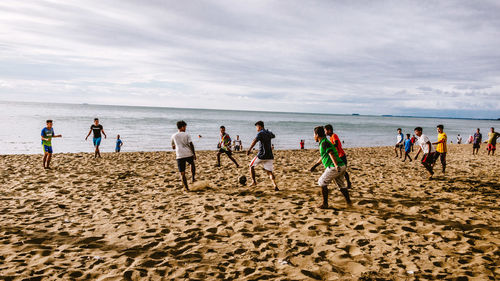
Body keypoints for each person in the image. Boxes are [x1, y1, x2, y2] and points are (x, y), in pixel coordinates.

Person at [310, 126, 351, 209]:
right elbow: (323, 156)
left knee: (321, 182)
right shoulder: (324, 142)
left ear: (317, 134)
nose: (313, 136)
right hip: (341, 165)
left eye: (314, 134)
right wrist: (315, 165)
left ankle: (325, 204)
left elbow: (331, 153)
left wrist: (335, 165)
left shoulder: (324, 143)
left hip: (334, 167)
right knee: (341, 185)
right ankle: (349, 202)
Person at [247, 121, 278, 191]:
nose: (256, 129)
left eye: (256, 127)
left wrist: (249, 149)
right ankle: (275, 185)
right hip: (270, 156)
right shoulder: (268, 133)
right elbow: (273, 135)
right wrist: (268, 131)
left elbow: (254, 141)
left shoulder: (260, 133)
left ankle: (254, 182)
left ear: (259, 126)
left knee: (251, 166)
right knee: (269, 172)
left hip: (261, 155)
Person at [324, 124, 352, 189]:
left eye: (325, 131)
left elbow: (336, 144)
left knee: (343, 171)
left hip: (341, 155)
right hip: (338, 156)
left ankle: (348, 183)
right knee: (340, 170)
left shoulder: (334, 135)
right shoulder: (331, 137)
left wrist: (330, 147)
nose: (325, 132)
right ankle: (343, 183)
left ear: (329, 130)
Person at [171, 120, 196, 191]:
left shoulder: (173, 135)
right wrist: (194, 154)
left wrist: (178, 145)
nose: (185, 128)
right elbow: (191, 144)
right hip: (188, 153)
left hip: (179, 155)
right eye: (185, 127)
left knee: (182, 173)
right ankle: (193, 177)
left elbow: (173, 147)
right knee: (192, 164)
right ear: (182, 127)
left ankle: (187, 188)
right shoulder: (187, 134)